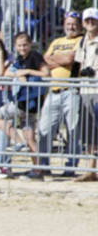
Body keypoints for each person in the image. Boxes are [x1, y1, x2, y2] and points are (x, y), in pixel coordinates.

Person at [0, 32, 48, 179]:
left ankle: (19, 142)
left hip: (28, 101)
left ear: (30, 44)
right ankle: (38, 170)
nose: (22, 48)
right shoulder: (19, 58)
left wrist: (28, 71)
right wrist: (19, 74)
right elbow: (6, 73)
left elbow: (46, 73)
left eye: (25, 45)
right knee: (31, 137)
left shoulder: (35, 56)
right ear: (16, 47)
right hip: (26, 101)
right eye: (19, 45)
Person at [37, 10, 83, 175]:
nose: (71, 27)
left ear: (80, 26)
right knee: (45, 128)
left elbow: (71, 59)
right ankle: (43, 164)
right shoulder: (56, 41)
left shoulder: (82, 40)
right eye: (68, 24)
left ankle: (71, 165)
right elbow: (44, 61)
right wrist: (61, 59)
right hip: (53, 91)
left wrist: (55, 59)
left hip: (71, 91)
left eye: (74, 24)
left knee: (72, 129)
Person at [73, 7, 98, 182]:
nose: (90, 23)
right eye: (87, 20)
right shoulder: (82, 42)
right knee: (90, 132)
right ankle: (91, 169)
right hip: (86, 90)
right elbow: (78, 65)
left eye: (93, 20)